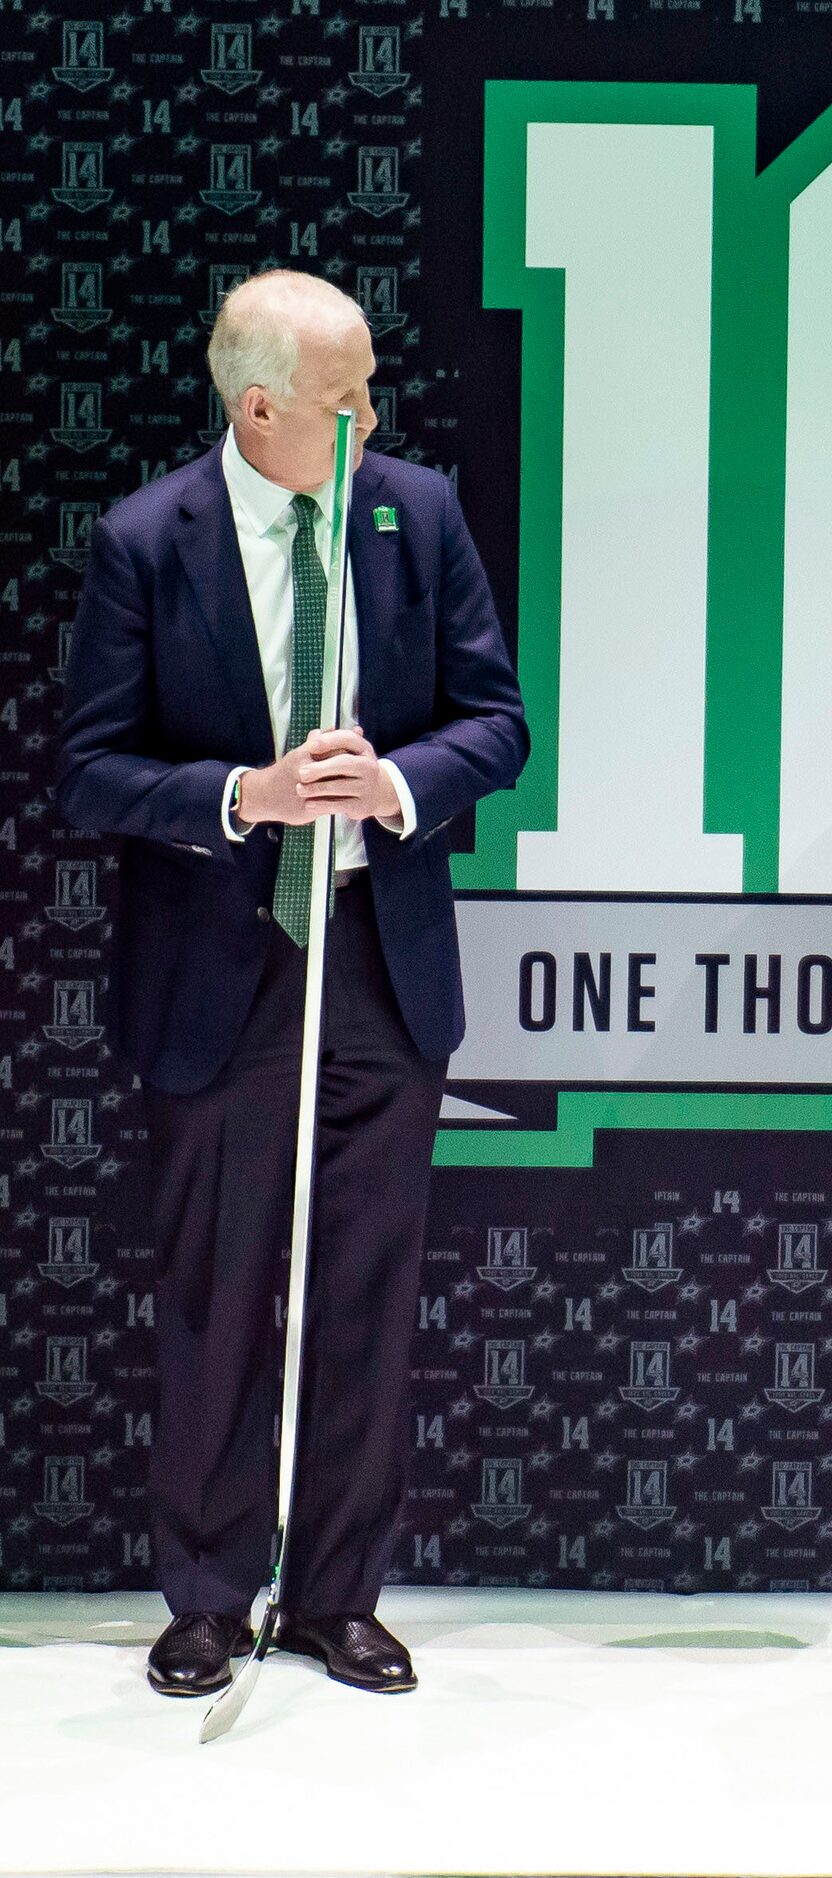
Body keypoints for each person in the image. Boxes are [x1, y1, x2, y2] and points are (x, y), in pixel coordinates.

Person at [55, 270, 529, 1699]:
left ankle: (338, 1596)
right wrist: (242, 793)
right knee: (216, 1287)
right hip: (226, 969)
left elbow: (495, 723)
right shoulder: (149, 539)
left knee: (365, 1289)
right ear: (260, 407)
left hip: (383, 963)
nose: (370, 416)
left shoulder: (414, 511)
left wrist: (393, 780)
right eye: (345, 398)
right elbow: (88, 769)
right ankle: (205, 1596)